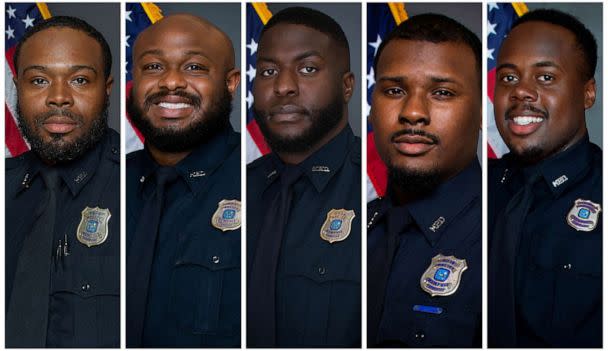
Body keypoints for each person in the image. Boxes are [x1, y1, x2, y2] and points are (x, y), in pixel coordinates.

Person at [247, 7, 361, 347]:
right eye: (268, 70)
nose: (283, 87)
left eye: (308, 69)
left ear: (347, 86)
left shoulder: (381, 190)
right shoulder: (230, 188)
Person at [366, 14, 482, 347]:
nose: (413, 111)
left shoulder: (508, 232)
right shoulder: (352, 231)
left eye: (442, 92)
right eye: (394, 90)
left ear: (479, 114)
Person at [125, 14, 241, 348]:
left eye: (194, 67)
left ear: (231, 82)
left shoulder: (262, 187)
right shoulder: (108, 181)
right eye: (153, 67)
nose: (171, 82)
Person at [489, 9, 602, 348]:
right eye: (508, 78)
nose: (521, 91)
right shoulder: (470, 191)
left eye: (546, 78)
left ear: (588, 93)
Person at [5, 16, 118, 347]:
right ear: (17, 87)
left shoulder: (143, 188)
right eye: (39, 80)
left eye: (80, 80)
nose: (58, 98)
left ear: (106, 89)